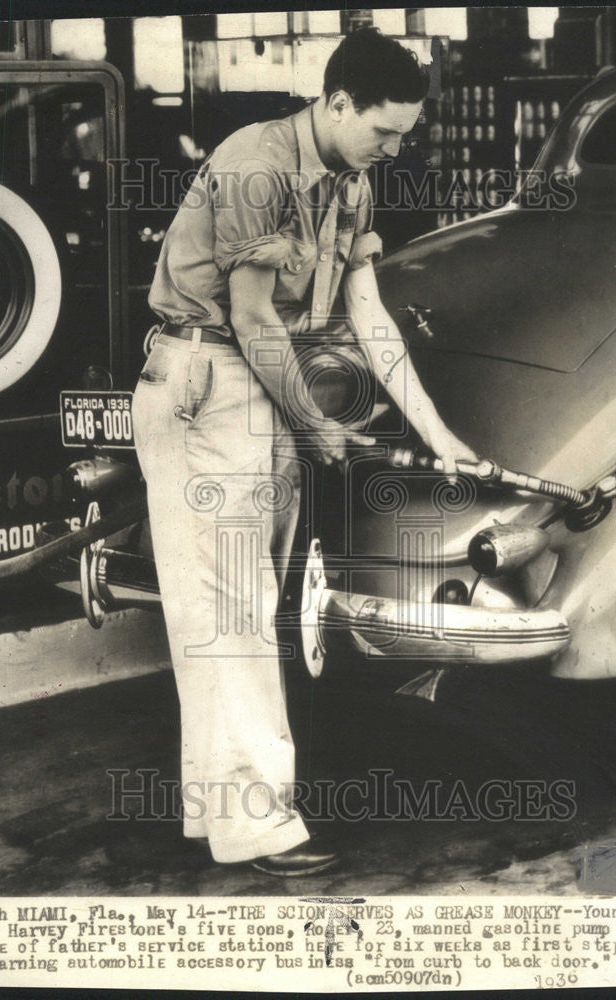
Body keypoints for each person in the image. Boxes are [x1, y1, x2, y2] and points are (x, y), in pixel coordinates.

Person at [132, 27, 477, 877]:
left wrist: (439, 434)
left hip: (257, 384)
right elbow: (251, 318)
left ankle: (222, 819)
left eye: (404, 134)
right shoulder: (256, 163)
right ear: (335, 102)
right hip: (203, 376)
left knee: (240, 608)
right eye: (383, 130)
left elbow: (370, 318)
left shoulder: (350, 183)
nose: (393, 151)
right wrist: (315, 425)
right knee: (234, 614)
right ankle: (258, 827)